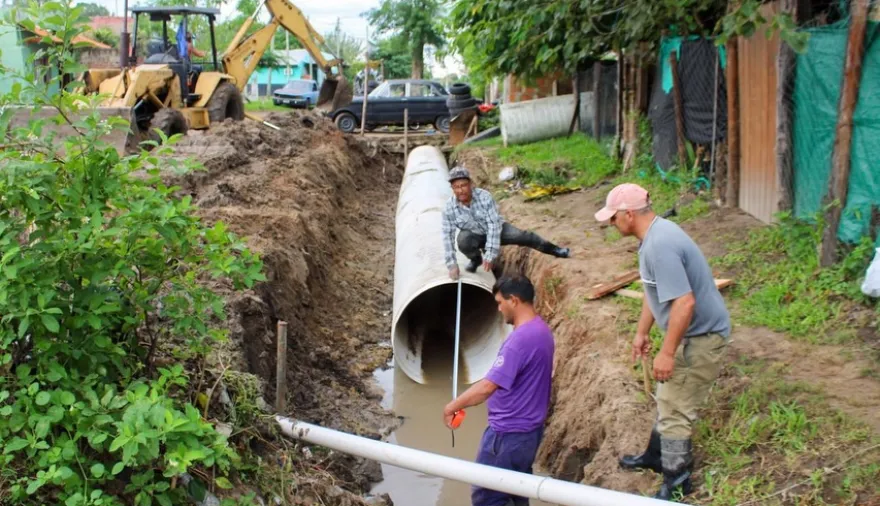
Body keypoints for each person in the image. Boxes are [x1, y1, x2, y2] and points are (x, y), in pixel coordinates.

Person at [594, 183, 730, 501]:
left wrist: (667, 352)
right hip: (692, 332)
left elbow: (684, 303)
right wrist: (642, 332)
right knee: (666, 396)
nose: (611, 225)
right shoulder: (653, 238)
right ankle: (655, 457)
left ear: (628, 214)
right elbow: (653, 292)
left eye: (613, 219)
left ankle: (678, 481)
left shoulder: (659, 245)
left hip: (703, 336)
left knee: (675, 411)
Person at [443, 275, 555, 506]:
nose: (498, 309)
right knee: (515, 492)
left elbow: (487, 387)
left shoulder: (520, 340)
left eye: (499, 302)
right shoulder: (542, 330)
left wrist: (453, 406)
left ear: (513, 300)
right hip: (529, 434)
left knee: (488, 496)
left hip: (507, 436)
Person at [442, 166, 570, 280]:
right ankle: (476, 260)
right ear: (452, 188)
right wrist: (452, 264)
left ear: (471, 184)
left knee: (525, 236)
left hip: (498, 229)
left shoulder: (484, 197)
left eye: (463, 185)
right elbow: (447, 236)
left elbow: (493, 225)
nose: (460, 190)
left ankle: (556, 250)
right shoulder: (449, 208)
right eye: (456, 187)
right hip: (475, 235)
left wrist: (491, 253)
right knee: (463, 240)